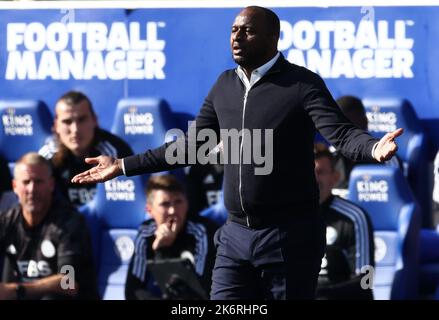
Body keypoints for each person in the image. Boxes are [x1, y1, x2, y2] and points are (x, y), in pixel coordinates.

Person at [72, 6, 403, 299]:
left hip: (289, 236)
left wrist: (373, 147)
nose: (237, 36)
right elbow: (190, 147)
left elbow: (341, 133)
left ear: (273, 38)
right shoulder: (223, 85)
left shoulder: (301, 84)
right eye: (233, 30)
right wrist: (122, 165)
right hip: (235, 236)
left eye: (248, 30)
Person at [0, 152, 99, 300]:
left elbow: (68, 283)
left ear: (51, 184)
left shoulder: (69, 222)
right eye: (26, 182)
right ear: (15, 186)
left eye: (38, 182)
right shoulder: (8, 220)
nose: (32, 190)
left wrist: (17, 290)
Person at [125, 174, 217, 300]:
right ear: (149, 209)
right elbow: (133, 291)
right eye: (165, 204)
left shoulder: (202, 231)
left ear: (187, 204)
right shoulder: (145, 232)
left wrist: (164, 252)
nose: (173, 210)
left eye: (178, 202)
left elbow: (202, 290)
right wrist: (159, 251)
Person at [39, 91, 133, 207]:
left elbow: (126, 205)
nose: (75, 130)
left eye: (82, 120)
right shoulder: (47, 157)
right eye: (67, 122)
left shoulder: (115, 153)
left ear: (95, 120)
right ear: (56, 125)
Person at [313, 143, 375, 300]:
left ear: (335, 178)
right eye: (309, 172)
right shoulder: (289, 217)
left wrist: (321, 294)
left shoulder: (354, 217)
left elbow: (366, 282)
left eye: (320, 172)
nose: (314, 179)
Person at [333, 95, 403, 189]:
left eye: (351, 127)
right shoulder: (329, 159)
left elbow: (397, 194)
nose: (347, 135)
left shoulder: (388, 159)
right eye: (340, 127)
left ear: (365, 122)